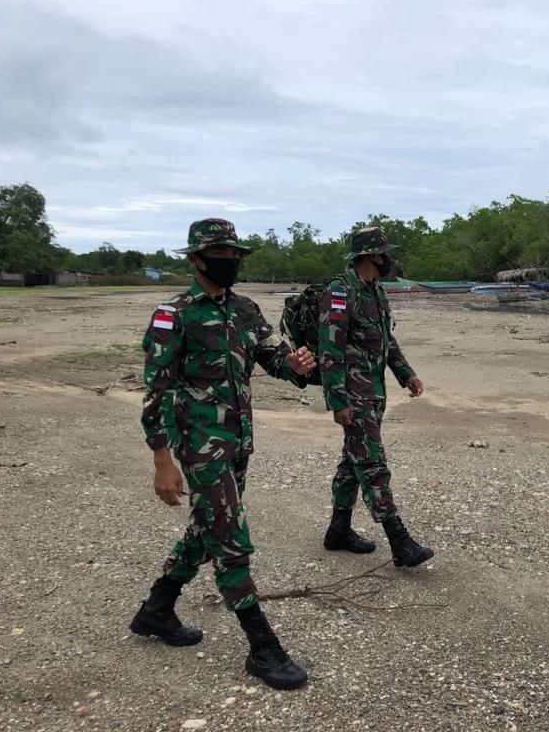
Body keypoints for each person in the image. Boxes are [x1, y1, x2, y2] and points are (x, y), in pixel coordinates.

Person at [129, 218, 317, 691]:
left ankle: (156, 610)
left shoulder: (246, 309)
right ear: (194, 259)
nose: (229, 261)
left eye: (234, 255)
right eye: (219, 254)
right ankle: (262, 646)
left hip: (238, 442)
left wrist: (293, 366)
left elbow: (269, 357)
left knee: (208, 527)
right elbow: (157, 390)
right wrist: (162, 459)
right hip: (199, 446)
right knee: (230, 538)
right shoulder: (175, 314)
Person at [317, 226, 434, 567]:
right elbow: (329, 350)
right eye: (384, 254)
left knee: (352, 461)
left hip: (374, 391)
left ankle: (338, 529)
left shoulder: (375, 292)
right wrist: (338, 402)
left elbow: (386, 341)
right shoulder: (340, 293)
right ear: (369, 256)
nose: (388, 259)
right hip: (353, 394)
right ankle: (400, 542)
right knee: (371, 463)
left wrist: (406, 374)